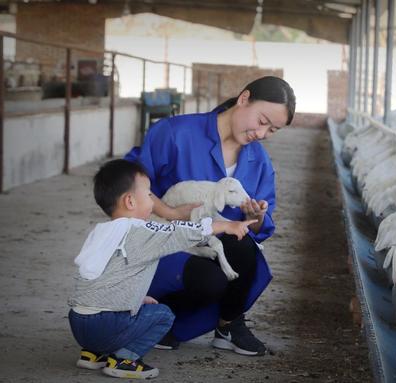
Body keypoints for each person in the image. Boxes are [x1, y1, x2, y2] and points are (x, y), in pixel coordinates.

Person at [124, 76, 296, 356]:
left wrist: (256, 216)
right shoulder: (174, 133)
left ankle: (228, 324)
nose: (262, 134)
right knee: (210, 280)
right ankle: (160, 316)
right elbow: (130, 183)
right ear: (243, 99)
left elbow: (263, 228)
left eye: (272, 130)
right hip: (166, 239)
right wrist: (167, 211)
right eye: (262, 120)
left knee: (244, 248)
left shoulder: (258, 161)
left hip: (210, 243)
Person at [68, 159, 255, 379]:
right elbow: (180, 231)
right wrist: (226, 225)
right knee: (163, 315)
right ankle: (124, 359)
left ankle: (93, 354)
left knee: (139, 305)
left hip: (77, 321)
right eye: (148, 194)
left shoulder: (100, 231)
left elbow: (103, 277)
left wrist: (136, 298)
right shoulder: (141, 230)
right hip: (105, 325)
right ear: (129, 201)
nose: (152, 199)